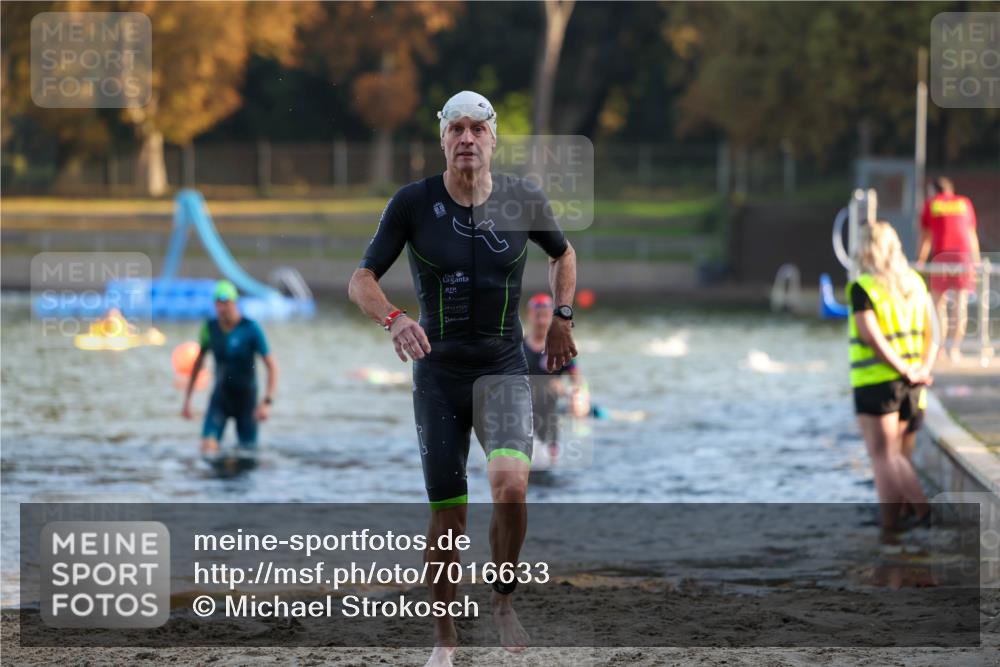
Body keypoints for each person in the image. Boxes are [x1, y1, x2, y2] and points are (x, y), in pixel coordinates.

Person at [347, 90, 577, 667]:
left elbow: (563, 254)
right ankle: (445, 638)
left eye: (478, 129)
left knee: (512, 489)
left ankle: (502, 597)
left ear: (493, 138)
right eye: (457, 129)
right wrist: (394, 320)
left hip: (501, 368)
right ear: (443, 138)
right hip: (439, 376)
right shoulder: (413, 204)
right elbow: (361, 280)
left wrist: (563, 318)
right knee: (449, 514)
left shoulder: (523, 198)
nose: (468, 139)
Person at [848, 221, 937, 533]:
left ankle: (905, 522)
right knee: (899, 456)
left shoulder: (865, 287)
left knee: (884, 457)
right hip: (915, 385)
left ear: (867, 249)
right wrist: (922, 368)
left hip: (879, 382)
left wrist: (903, 369)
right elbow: (932, 333)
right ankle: (904, 519)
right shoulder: (915, 282)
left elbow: (872, 337)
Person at [181, 280, 278, 458]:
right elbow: (197, 364)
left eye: (226, 303)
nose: (222, 309)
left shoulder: (251, 328)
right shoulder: (209, 328)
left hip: (246, 401)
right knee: (207, 448)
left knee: (247, 455)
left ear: (235, 303)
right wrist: (187, 400)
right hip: (220, 399)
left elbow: (271, 366)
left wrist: (266, 402)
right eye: (218, 304)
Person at [915, 177, 981, 362]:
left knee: (937, 303)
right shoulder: (964, 202)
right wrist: (975, 262)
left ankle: (939, 349)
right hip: (963, 256)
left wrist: (920, 261)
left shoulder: (931, 203)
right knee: (960, 303)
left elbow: (925, 236)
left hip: (942, 256)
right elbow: (971, 234)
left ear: (933, 191)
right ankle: (955, 350)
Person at [522, 293, 586, 464]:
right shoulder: (518, 348)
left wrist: (576, 398)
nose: (542, 321)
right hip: (522, 412)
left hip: (550, 411)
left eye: (545, 316)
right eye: (538, 316)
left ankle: (551, 453)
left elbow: (577, 381)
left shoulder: (560, 347)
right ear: (530, 315)